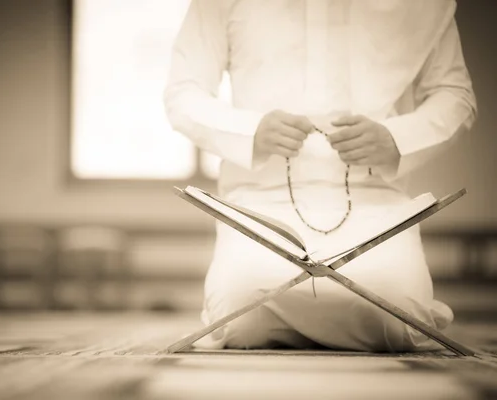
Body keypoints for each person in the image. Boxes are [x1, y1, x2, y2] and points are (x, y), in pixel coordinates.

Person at [163, 0, 476, 352]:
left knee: (401, 318)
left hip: (375, 206)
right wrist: (250, 130)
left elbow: (455, 95)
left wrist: (397, 138)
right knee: (237, 317)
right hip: (260, 205)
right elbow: (183, 92)